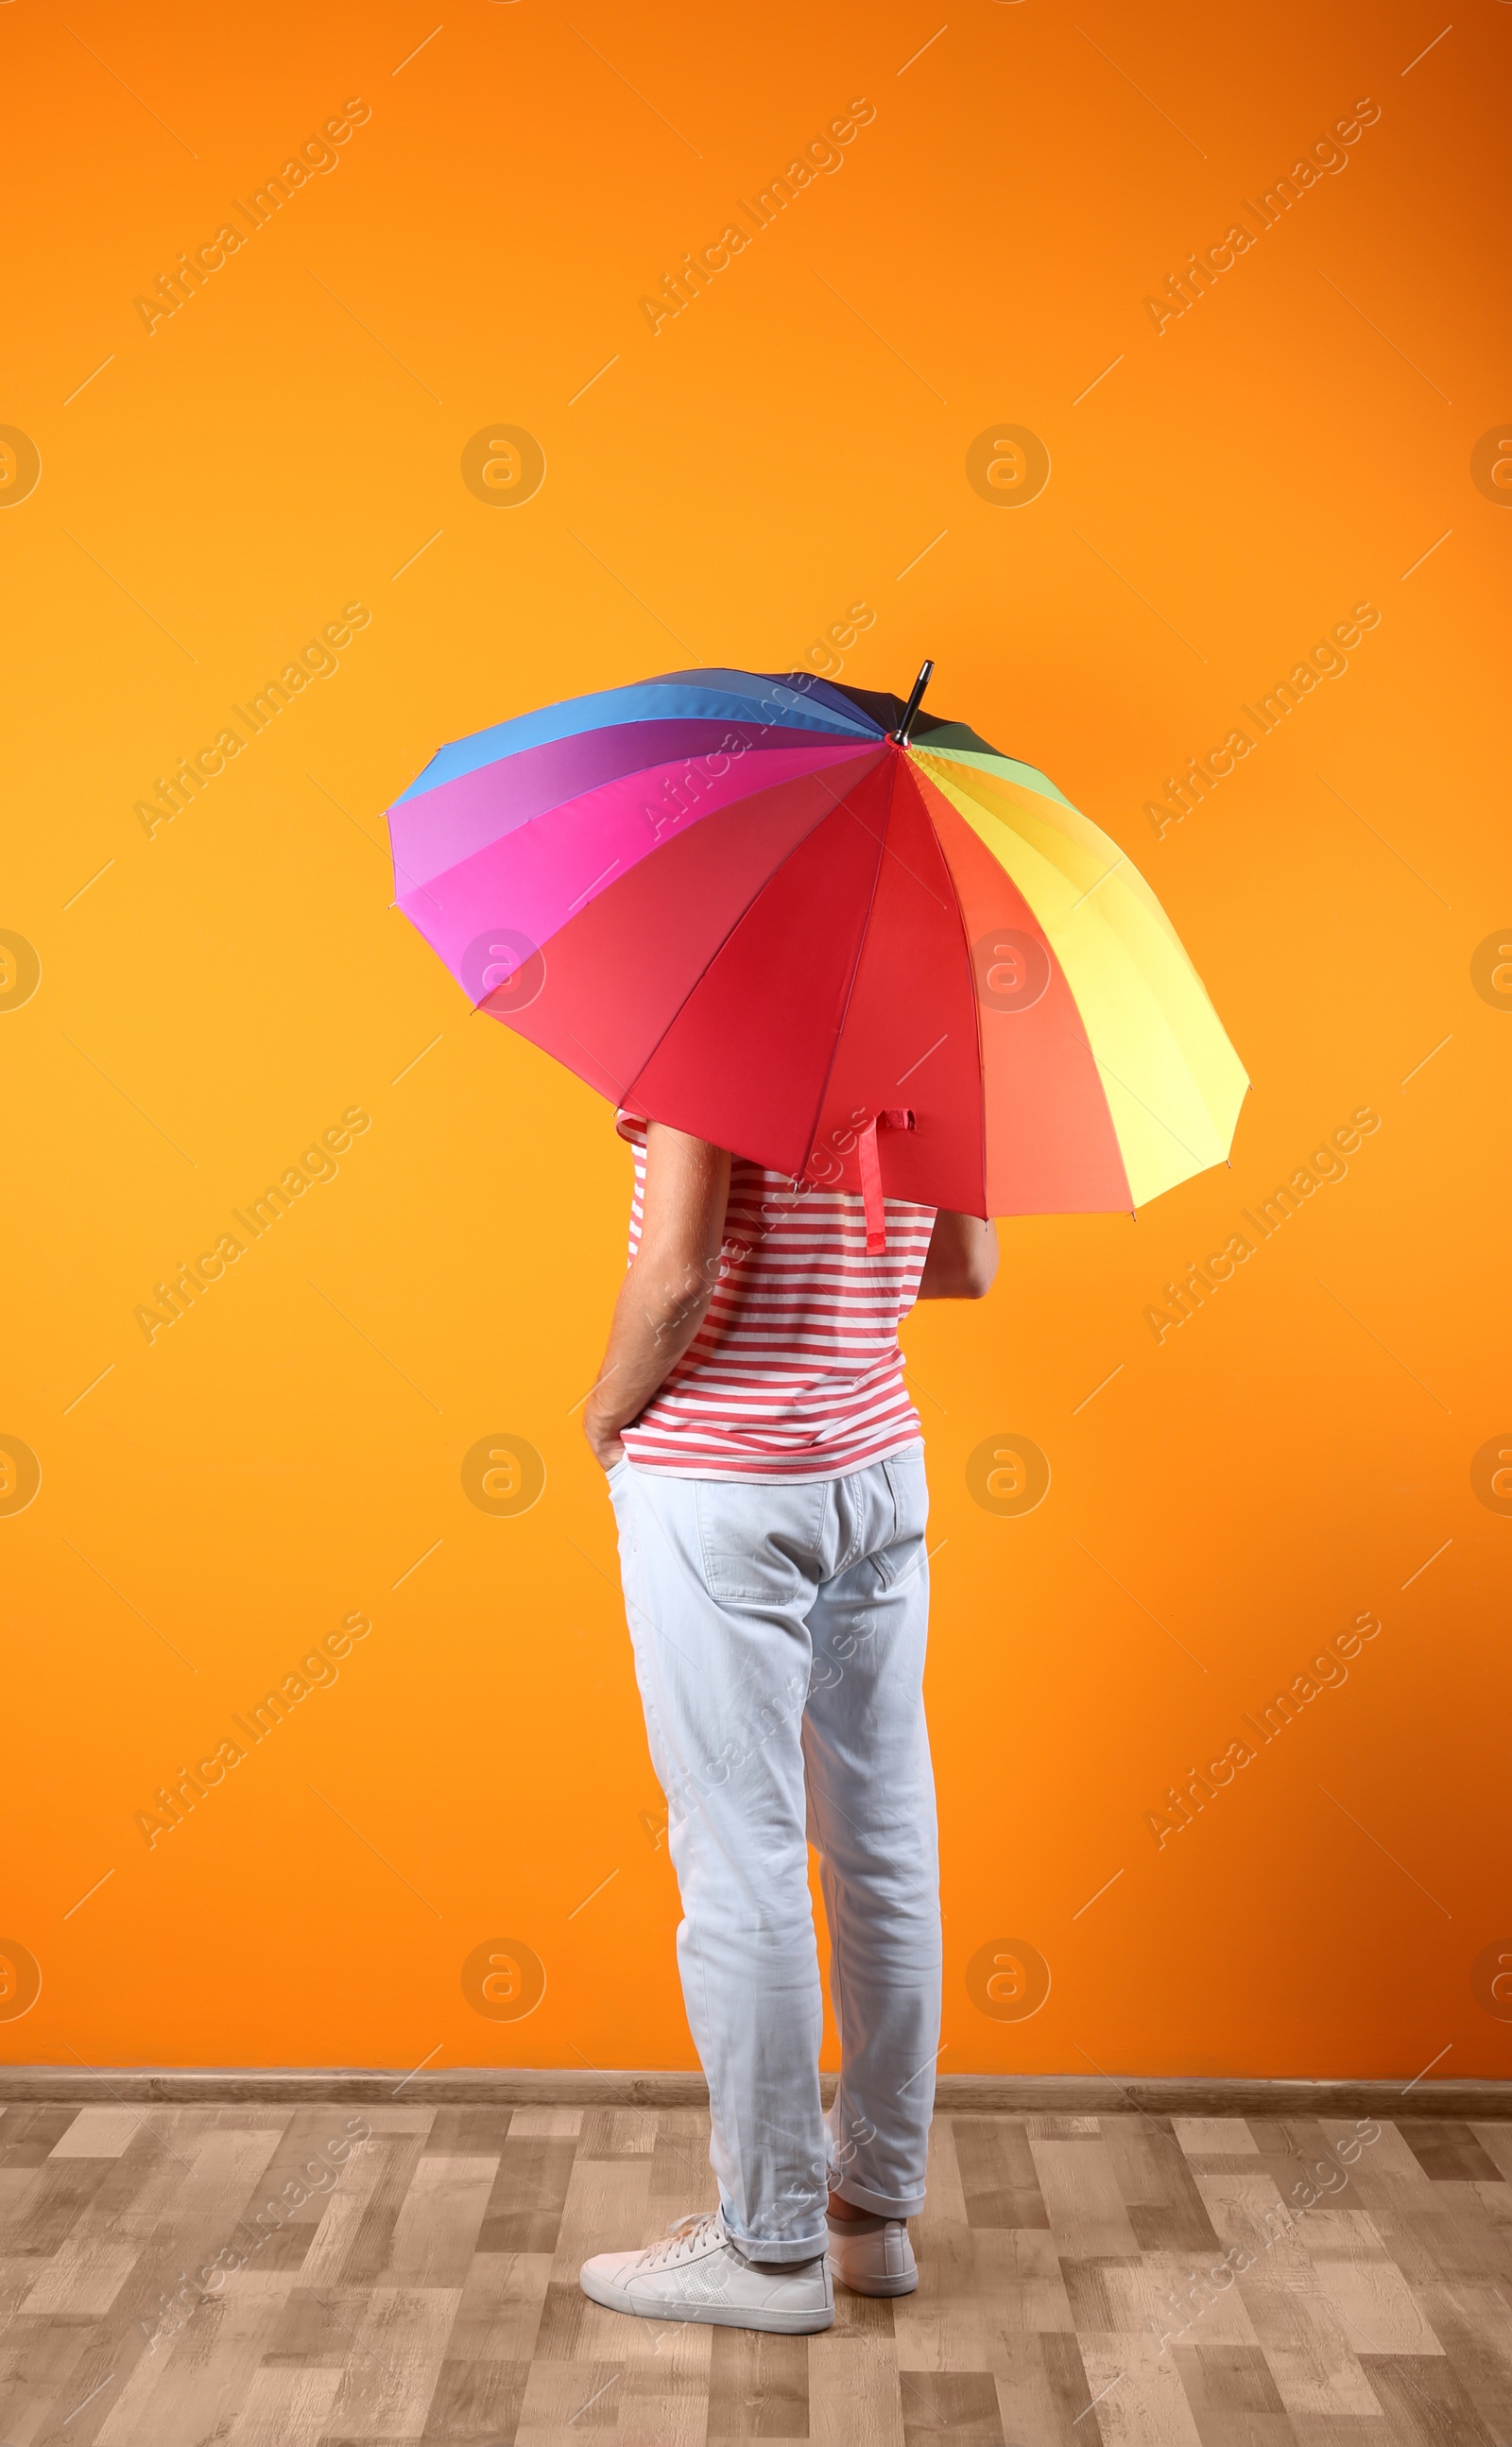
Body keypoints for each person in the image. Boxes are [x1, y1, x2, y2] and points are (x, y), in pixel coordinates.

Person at [578, 1111, 997, 2335]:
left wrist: (607, 1410)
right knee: (883, 1852)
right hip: (874, 1469)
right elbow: (966, 1264)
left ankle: (768, 2254)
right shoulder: (925, 1036)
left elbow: (678, 1274)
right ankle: (870, 2215)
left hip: (724, 1478)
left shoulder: (706, 1029)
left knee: (740, 1854)